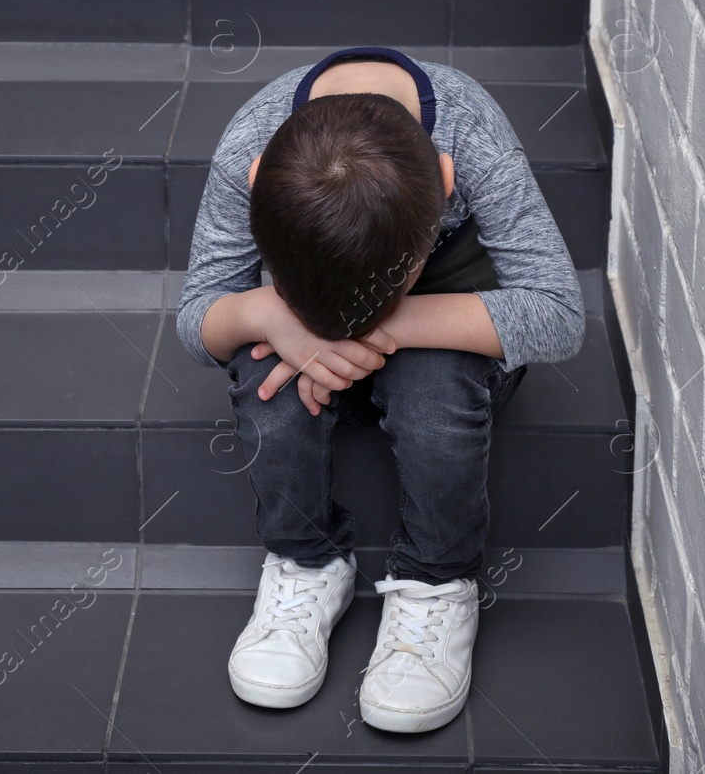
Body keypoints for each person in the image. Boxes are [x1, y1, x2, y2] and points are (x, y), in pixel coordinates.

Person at [176, 46, 584, 733]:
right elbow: (197, 318)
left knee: (433, 380)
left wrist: (380, 327)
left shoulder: (468, 133)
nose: (354, 325)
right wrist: (271, 316)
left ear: (447, 185)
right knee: (260, 367)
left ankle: (436, 578)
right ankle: (306, 561)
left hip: (442, 342)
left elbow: (559, 315)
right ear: (256, 183)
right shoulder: (251, 143)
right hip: (298, 348)